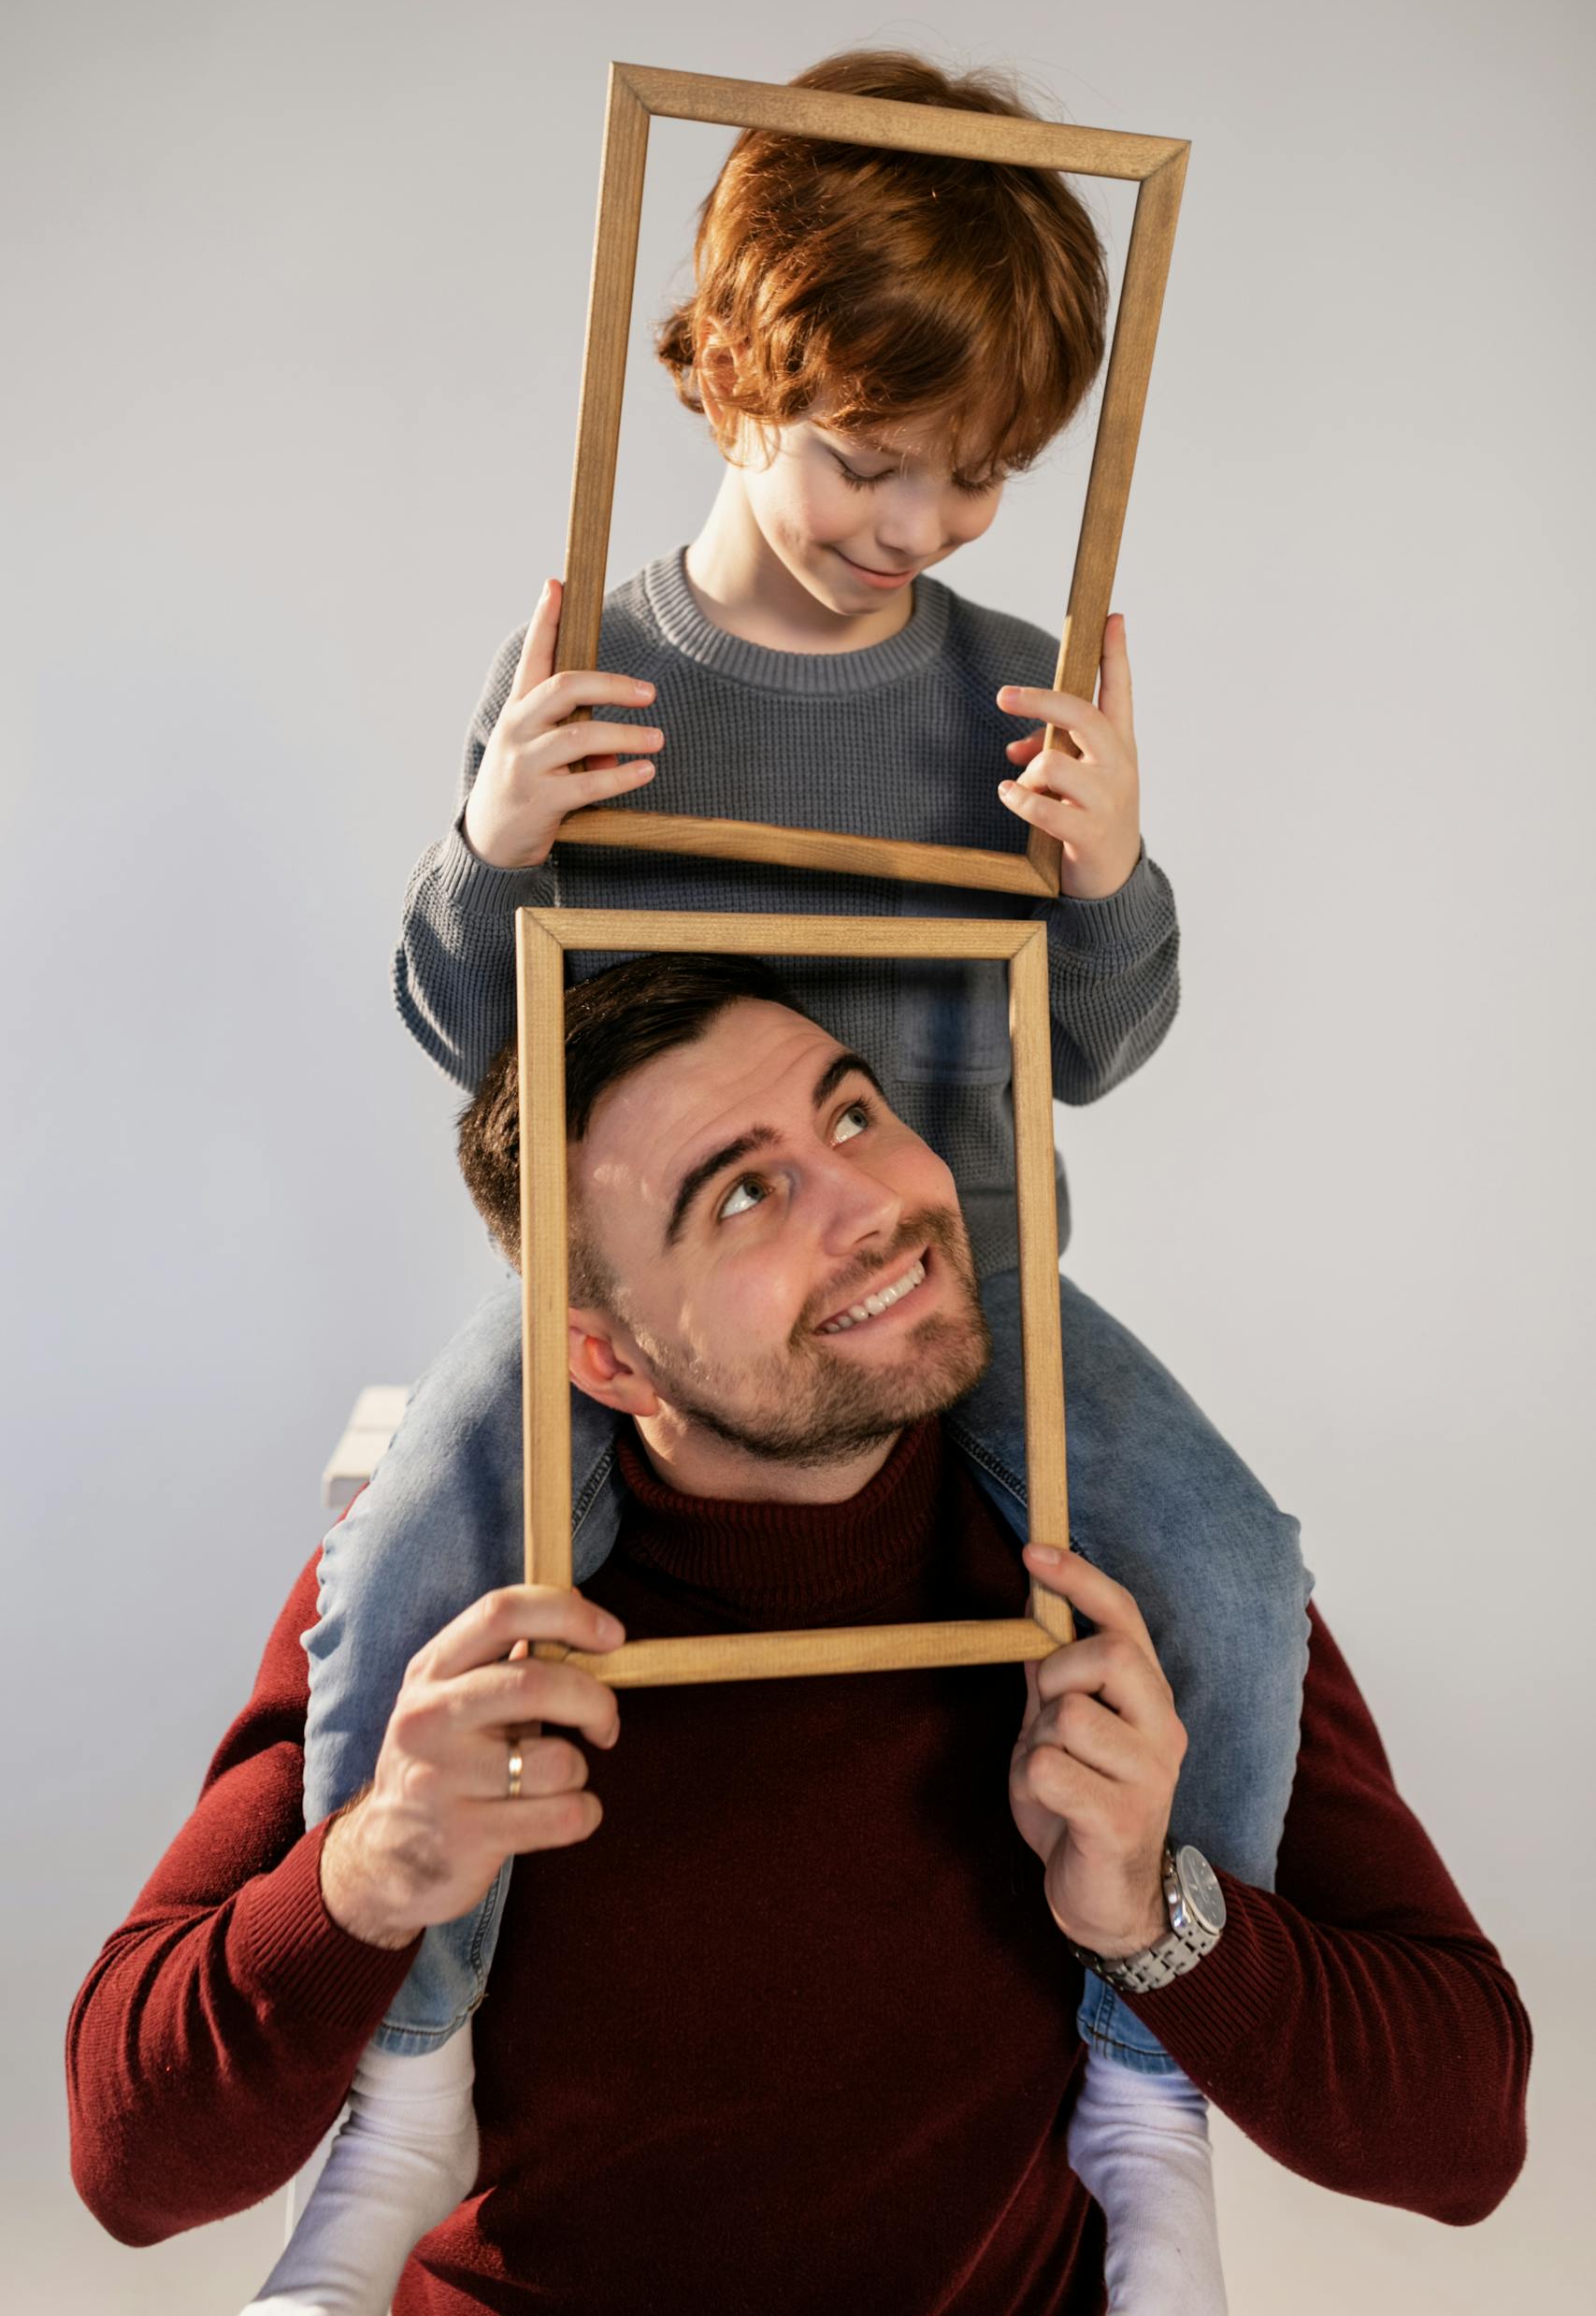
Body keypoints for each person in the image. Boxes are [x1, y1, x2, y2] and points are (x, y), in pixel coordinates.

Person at [288, 43, 1314, 2307]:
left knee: (1233, 1557)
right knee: (410, 1553)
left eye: (979, 484)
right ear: (731, 368)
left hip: (960, 1286)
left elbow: (1104, 1044)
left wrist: (1112, 876)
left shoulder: (1011, 696)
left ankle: (1136, 2067)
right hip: (668, 1311)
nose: (920, 528)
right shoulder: (593, 665)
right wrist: (491, 844)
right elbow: (482, 1044)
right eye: (872, 460)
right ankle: (414, 2059)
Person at [66, 956, 1531, 2315]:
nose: (873, 1201)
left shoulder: (1115, 1589)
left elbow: (1468, 2139)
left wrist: (1156, 1917)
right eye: (745, 1196)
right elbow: (129, 2165)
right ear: (608, 1357)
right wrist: (368, 1878)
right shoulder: (461, 1605)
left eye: (852, 1112)